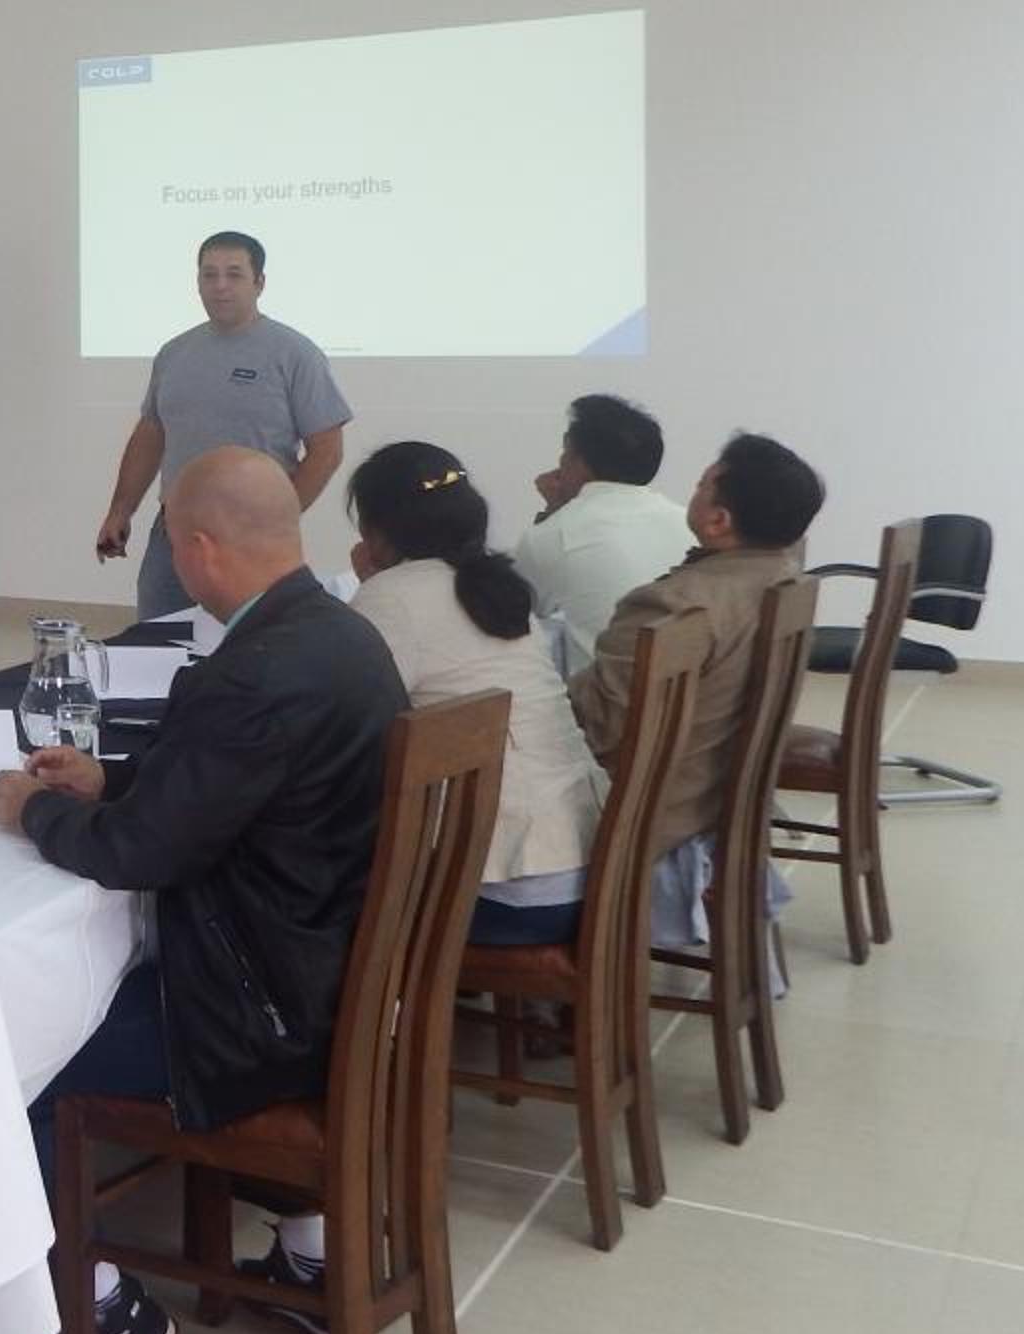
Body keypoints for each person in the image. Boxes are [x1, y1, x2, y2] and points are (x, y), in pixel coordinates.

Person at [0, 446, 404, 1334]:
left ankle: (84, 1289)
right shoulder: (341, 637)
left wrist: (36, 811)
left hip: (255, 1015)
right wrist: (110, 777)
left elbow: (140, 854)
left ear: (200, 547)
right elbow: (232, 783)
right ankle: (309, 1252)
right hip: (328, 985)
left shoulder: (251, 673)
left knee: (3, 1055)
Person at [345, 441, 605, 949]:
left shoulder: (391, 598)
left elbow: (345, 726)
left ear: (376, 531)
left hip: (508, 893)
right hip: (585, 869)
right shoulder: (497, 585)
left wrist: (373, 586)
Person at [571, 433, 824, 874]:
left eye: (701, 485)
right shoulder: (784, 578)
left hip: (647, 823)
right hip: (711, 802)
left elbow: (597, 731)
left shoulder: (670, 606)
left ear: (718, 521)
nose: (695, 490)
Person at [94, 231, 352, 621]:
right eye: (209, 275)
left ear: (259, 283)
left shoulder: (295, 353)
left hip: (253, 536)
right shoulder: (174, 353)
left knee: (252, 644)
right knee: (160, 640)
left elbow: (327, 450)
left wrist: (278, 517)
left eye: (234, 274)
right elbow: (151, 435)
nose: (220, 286)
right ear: (197, 282)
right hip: (175, 533)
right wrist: (120, 510)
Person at [512, 394, 694, 674]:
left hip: (598, 699)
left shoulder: (553, 536)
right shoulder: (687, 523)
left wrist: (553, 517)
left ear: (581, 464)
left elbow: (513, 621)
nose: (560, 463)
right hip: (684, 694)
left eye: (566, 453)